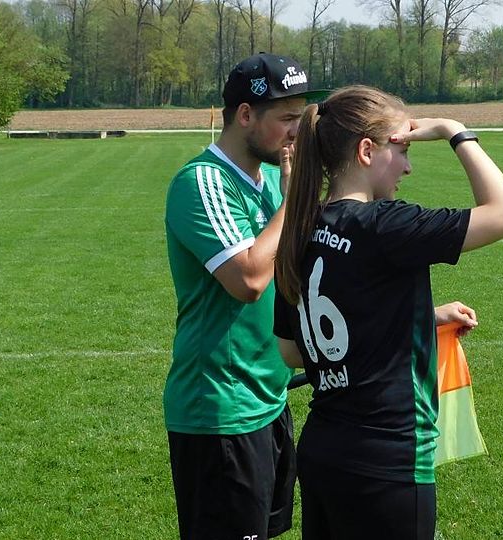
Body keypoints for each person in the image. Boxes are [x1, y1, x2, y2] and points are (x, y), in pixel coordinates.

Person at [272, 85, 503, 538]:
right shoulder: (384, 224)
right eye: (404, 149)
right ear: (366, 151)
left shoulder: (301, 228)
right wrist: (452, 130)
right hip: (386, 460)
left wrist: (421, 316)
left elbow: (292, 351)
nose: (408, 166)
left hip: (324, 451)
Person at [163, 52, 324, 540]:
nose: (298, 131)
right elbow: (249, 280)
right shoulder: (202, 182)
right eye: (288, 118)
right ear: (246, 114)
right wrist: (294, 202)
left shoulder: (274, 177)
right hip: (220, 411)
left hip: (269, 399)